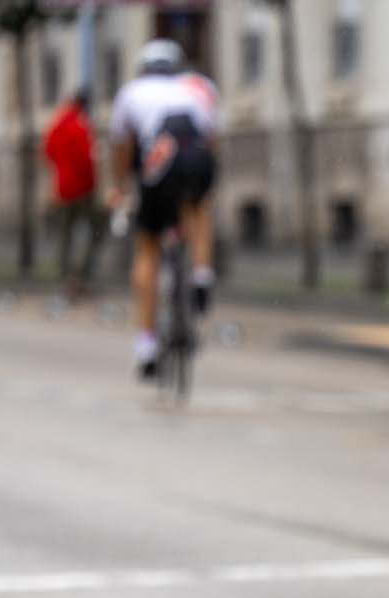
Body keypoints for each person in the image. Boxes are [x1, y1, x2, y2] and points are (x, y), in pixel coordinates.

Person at [107, 40, 219, 380]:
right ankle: (202, 273)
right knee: (199, 208)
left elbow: (123, 145)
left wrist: (120, 187)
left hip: (160, 157)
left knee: (148, 246)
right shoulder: (197, 87)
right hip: (196, 158)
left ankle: (146, 345)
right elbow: (211, 139)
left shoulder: (131, 92)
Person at [43, 88, 104, 298]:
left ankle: (65, 277)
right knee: (96, 229)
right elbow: (86, 159)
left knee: (65, 234)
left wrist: (60, 169)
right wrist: (92, 183)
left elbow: (48, 150)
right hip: (81, 188)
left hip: (62, 187)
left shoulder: (59, 123)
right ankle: (81, 275)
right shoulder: (80, 125)